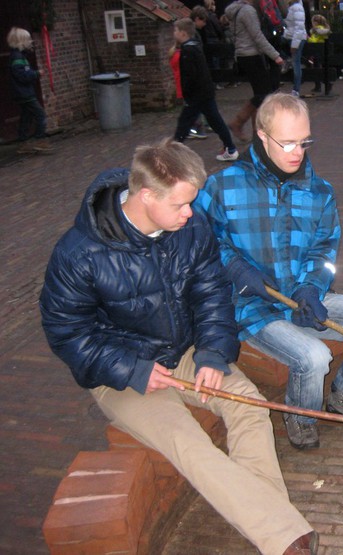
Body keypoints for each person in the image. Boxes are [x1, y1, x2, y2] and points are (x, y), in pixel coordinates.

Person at [39, 139, 319, 555]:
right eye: (181, 204)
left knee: (250, 406)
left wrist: (211, 353)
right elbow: (67, 334)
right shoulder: (79, 254)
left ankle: (272, 525)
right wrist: (132, 370)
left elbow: (213, 296)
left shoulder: (190, 228)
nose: (190, 213)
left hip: (186, 351)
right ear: (146, 196)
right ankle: (283, 537)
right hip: (121, 374)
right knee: (188, 443)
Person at [194, 93, 343, 451]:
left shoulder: (319, 192)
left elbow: (323, 250)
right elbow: (200, 243)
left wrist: (311, 288)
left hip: (297, 296)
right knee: (314, 357)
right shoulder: (222, 186)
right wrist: (237, 270)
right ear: (261, 134)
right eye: (286, 142)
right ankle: (300, 417)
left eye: (303, 142)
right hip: (250, 306)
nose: (296, 152)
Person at [172, 18, 238, 161]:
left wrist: (187, 93)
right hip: (205, 92)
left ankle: (173, 152)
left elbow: (190, 75)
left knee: (185, 121)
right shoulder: (195, 47)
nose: (174, 33)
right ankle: (230, 147)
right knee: (215, 120)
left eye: (176, 30)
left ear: (183, 33)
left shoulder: (188, 51)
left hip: (197, 94)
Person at [225, 0, 285, 142]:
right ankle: (239, 123)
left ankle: (255, 131)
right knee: (263, 95)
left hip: (243, 55)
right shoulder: (248, 11)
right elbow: (257, 36)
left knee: (260, 94)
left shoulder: (235, 11)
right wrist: (275, 55)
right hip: (251, 55)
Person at [7, 27, 54, 154]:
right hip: (25, 93)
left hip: (23, 92)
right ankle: (40, 140)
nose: (30, 41)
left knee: (26, 117)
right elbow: (22, 76)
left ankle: (23, 142)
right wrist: (36, 73)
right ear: (21, 41)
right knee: (40, 115)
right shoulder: (17, 57)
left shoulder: (20, 56)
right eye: (28, 39)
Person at [283, 0, 308, 97]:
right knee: (295, 62)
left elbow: (299, 28)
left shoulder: (297, 7)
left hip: (295, 37)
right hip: (290, 36)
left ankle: (296, 89)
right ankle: (286, 59)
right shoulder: (292, 7)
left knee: (296, 63)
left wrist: (294, 44)